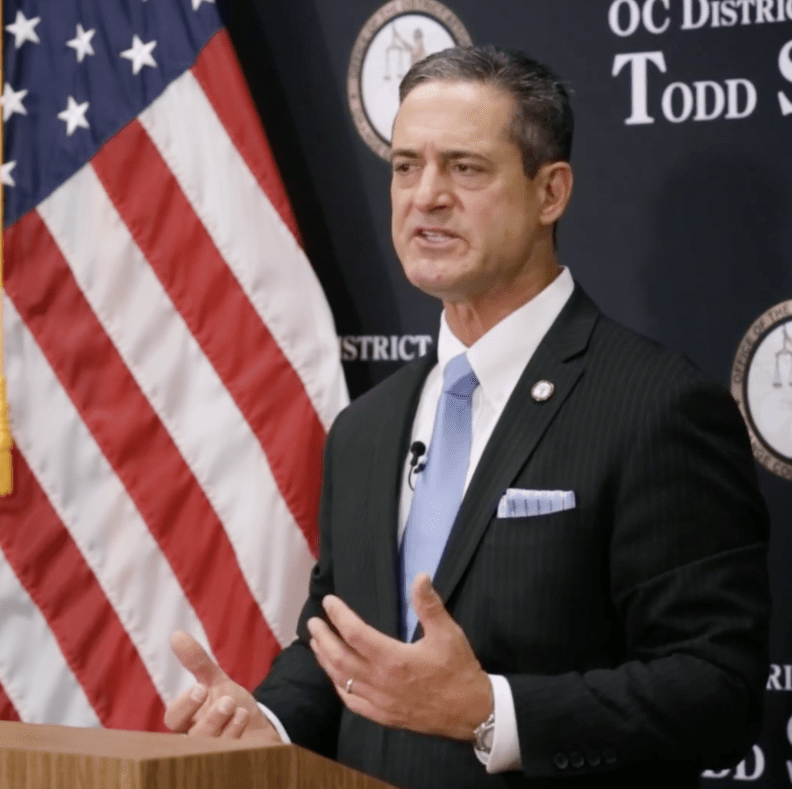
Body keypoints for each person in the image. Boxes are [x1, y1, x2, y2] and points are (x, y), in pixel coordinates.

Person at [163, 45, 770, 788]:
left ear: (550, 192)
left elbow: (718, 691)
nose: (426, 196)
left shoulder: (654, 406)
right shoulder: (367, 428)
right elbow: (343, 640)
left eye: (466, 167)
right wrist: (269, 721)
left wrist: (492, 712)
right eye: (405, 166)